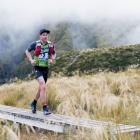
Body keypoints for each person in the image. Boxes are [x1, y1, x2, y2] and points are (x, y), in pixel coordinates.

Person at [25, 29, 56, 115]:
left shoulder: (50, 45)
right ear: (40, 36)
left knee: (41, 88)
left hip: (45, 68)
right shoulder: (35, 44)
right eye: (43, 35)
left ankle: (34, 103)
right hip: (37, 68)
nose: (45, 36)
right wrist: (31, 60)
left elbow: (53, 53)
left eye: (46, 35)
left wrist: (51, 59)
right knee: (43, 86)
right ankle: (45, 108)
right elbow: (27, 51)